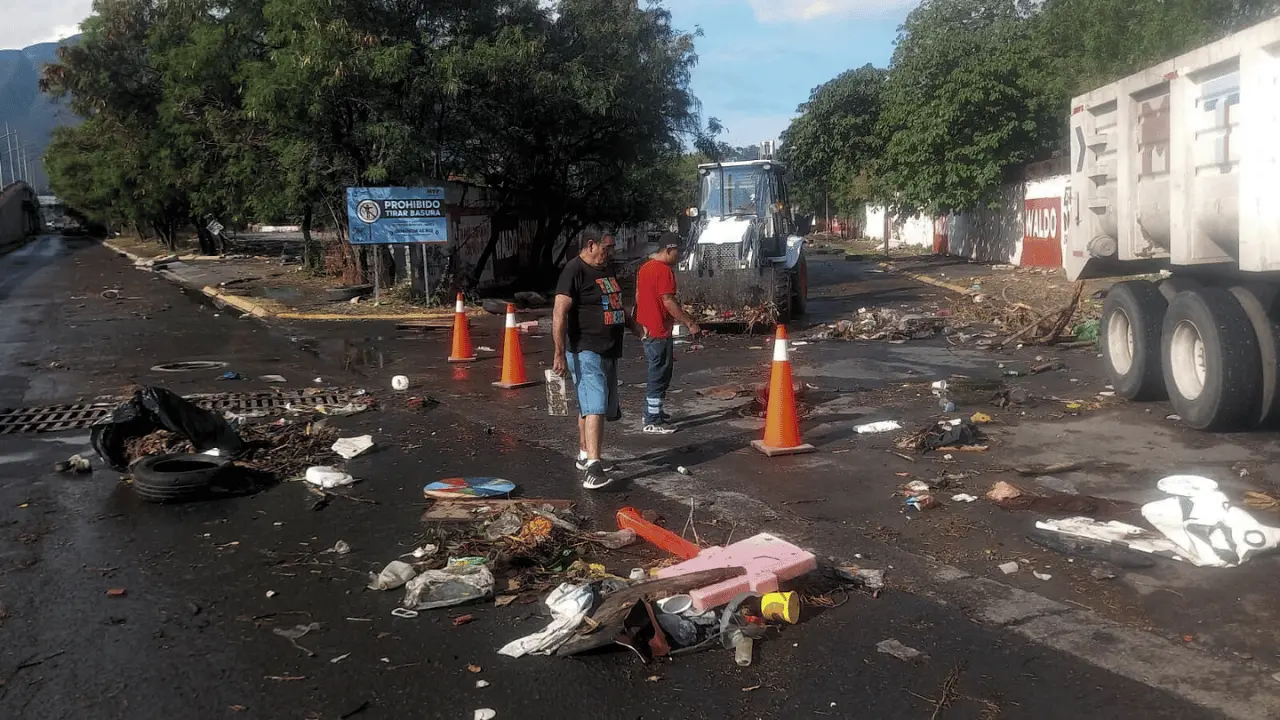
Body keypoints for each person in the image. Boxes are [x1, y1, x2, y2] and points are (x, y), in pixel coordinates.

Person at [552, 232, 634, 490]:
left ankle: (584, 454)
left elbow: (615, 304)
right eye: (606, 247)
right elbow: (558, 314)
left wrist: (635, 326)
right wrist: (559, 352)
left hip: (609, 348)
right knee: (596, 404)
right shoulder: (573, 271)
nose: (610, 252)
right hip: (584, 349)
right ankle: (594, 469)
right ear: (591, 245)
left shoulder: (605, 269)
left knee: (593, 405)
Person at [634, 233, 701, 434]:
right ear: (669, 250)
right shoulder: (663, 271)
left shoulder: (645, 268)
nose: (679, 256)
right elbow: (668, 301)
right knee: (659, 373)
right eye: (678, 252)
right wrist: (689, 322)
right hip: (658, 330)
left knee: (660, 372)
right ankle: (652, 419)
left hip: (648, 328)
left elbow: (638, 296)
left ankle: (654, 411)